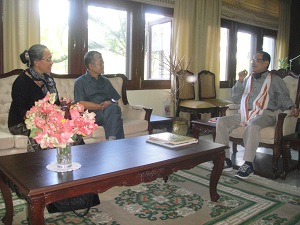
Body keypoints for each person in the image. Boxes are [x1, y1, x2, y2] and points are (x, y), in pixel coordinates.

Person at [215, 51, 299, 179]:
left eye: (256, 60)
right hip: (245, 113)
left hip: (266, 114)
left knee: (253, 125)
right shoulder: (248, 79)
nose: (253, 63)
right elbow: (237, 99)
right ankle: (225, 159)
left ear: (266, 63)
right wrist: (240, 81)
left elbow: (284, 98)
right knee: (221, 121)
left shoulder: (275, 80)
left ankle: (248, 163)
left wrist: (292, 106)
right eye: (252, 60)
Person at [8, 44, 60, 151]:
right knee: (42, 135)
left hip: (46, 121)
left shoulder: (49, 80)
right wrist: (42, 125)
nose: (52, 62)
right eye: (48, 59)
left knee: (70, 132)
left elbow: (56, 104)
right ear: (36, 62)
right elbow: (21, 112)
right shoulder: (21, 82)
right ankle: (36, 166)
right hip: (21, 122)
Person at [74, 51, 124, 140]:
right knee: (114, 114)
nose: (103, 65)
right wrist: (100, 106)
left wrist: (110, 102)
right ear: (91, 66)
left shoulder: (105, 81)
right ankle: (116, 142)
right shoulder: (80, 82)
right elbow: (80, 103)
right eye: (100, 63)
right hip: (92, 114)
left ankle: (112, 140)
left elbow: (115, 99)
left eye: (103, 63)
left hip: (108, 111)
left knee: (114, 109)